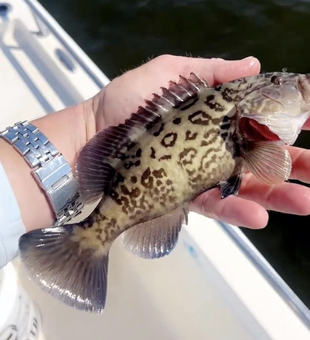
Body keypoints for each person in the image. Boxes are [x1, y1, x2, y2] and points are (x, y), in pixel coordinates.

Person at [1, 55, 310, 269]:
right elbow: (272, 168)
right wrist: (90, 122)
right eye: (277, 80)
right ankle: (85, 243)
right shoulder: (236, 108)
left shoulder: (241, 114)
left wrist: (88, 122)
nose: (294, 83)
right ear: (255, 99)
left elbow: (268, 165)